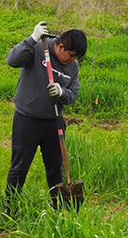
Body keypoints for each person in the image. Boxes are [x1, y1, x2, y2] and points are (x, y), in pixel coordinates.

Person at [5, 21, 87, 213]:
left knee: (55, 171)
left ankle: (60, 210)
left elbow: (73, 93)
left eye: (76, 57)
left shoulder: (72, 67)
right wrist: (31, 39)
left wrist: (62, 92)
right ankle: (10, 210)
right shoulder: (37, 48)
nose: (73, 60)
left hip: (54, 121)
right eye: (71, 55)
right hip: (27, 120)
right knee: (19, 168)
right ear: (60, 46)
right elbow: (12, 60)